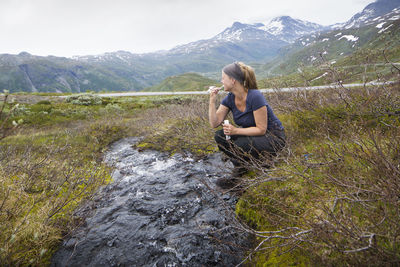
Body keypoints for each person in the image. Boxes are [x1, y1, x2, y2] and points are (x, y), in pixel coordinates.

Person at [208, 62, 286, 186]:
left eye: (223, 78)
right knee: (220, 136)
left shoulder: (255, 96)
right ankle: (241, 167)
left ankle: (262, 162)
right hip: (255, 136)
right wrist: (212, 101)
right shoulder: (229, 98)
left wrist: (236, 131)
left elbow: (261, 129)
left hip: (274, 137)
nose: (221, 81)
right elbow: (214, 123)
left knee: (240, 144)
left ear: (233, 80)